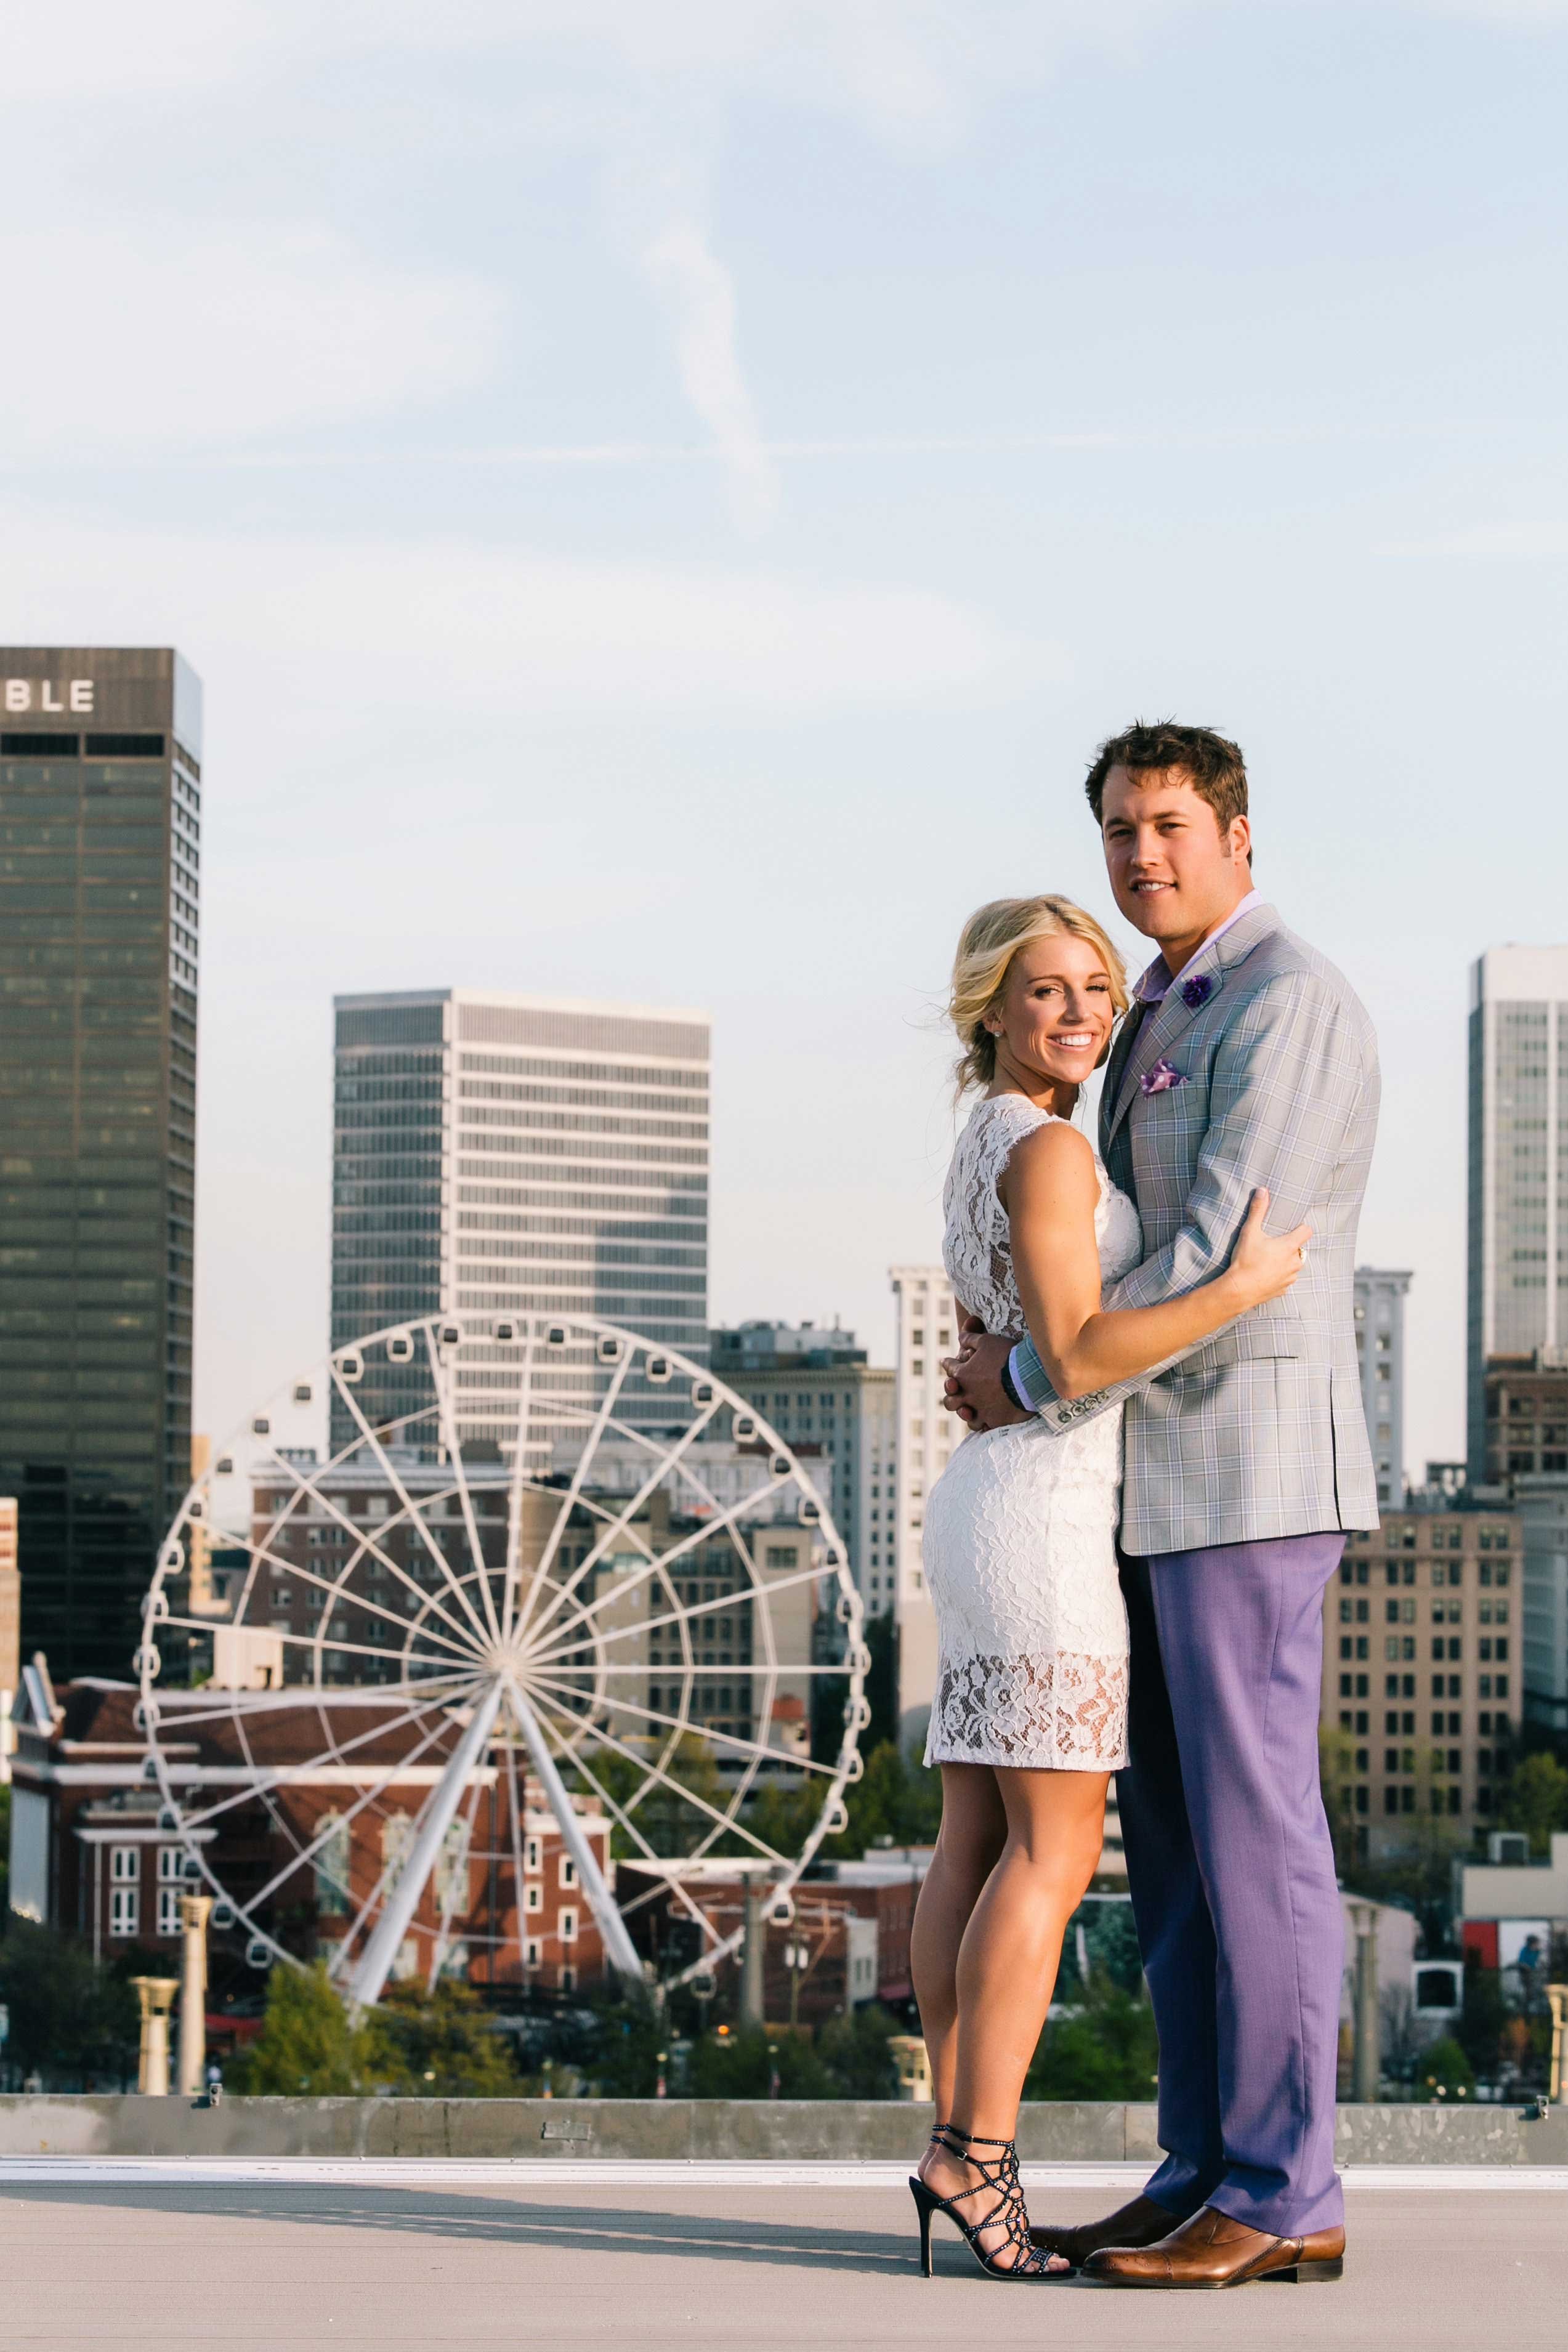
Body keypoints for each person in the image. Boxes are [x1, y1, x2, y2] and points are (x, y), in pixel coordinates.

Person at [943, 721, 1378, 2290]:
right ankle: (1200, 2165)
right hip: (1140, 1482)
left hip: (1248, 1479)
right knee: (1177, 1852)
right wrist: (1033, 1354)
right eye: (1123, 829)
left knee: (1257, 1838)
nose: (1143, 855)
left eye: (1173, 825)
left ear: (1240, 833)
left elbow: (1212, 1247)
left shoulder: (1287, 1002)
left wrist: (1035, 1370)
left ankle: (1282, 2187)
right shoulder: (1152, 1014)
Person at [907, 890, 1309, 2282]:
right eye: (1045, 991)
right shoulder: (1056, 1150)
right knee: (1054, 1850)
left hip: (982, 1509)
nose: (1080, 1009)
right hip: (1047, 1516)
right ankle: (978, 2153)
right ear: (992, 1011)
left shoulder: (983, 1138)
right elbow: (1073, 1355)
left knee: (969, 1840)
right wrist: (1241, 1285)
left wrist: (1004, 1368)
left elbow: (1001, 1330)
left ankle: (949, 2141)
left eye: (1093, 985)